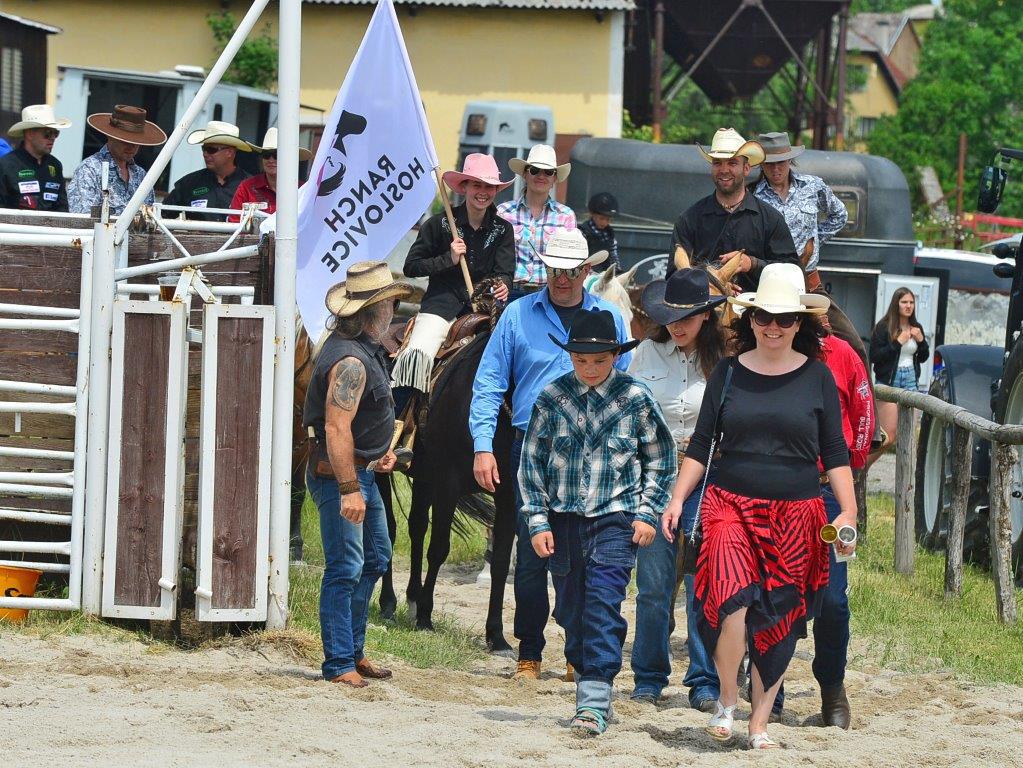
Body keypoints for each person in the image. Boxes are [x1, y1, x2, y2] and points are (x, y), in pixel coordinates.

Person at [661, 263, 857, 750]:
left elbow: (834, 452)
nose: (773, 326)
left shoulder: (817, 379)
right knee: (732, 601)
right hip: (728, 505)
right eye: (764, 316)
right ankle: (728, 699)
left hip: (798, 513)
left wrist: (848, 511)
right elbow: (702, 443)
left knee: (779, 617)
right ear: (750, 319)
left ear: (799, 323)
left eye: (785, 318)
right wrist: (678, 497)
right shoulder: (727, 373)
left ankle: (759, 723)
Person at [470, 228, 631, 681]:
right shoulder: (518, 316)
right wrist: (484, 445)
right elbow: (489, 383)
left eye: (571, 271)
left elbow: (624, 384)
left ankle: (577, 652)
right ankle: (531, 648)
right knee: (532, 550)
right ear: (545, 268)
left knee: (584, 552)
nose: (562, 279)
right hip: (532, 446)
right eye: (555, 269)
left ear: (587, 271)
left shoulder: (610, 317)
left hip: (593, 448)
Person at [519, 309, 675, 735]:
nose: (590, 368)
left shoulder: (636, 398)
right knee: (571, 607)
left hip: (616, 519)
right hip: (564, 519)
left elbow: (661, 460)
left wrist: (646, 514)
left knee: (604, 603)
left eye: (600, 360)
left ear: (615, 356)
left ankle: (593, 699)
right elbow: (531, 462)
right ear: (570, 357)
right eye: (582, 360)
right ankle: (586, 676)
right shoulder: (551, 398)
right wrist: (537, 519)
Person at [767, 263, 875, 729]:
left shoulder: (843, 356)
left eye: (789, 315)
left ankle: (832, 688)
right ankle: (769, 692)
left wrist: (851, 464)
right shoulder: (759, 357)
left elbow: (864, 411)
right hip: (775, 490)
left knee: (832, 599)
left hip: (828, 492)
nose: (778, 324)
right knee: (773, 594)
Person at [302, 260, 413, 687]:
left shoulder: (359, 350)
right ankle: (338, 663)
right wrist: (350, 487)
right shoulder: (351, 360)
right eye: (389, 303)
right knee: (347, 566)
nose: (394, 309)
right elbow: (335, 427)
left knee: (374, 558)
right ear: (375, 312)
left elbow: (352, 424)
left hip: (358, 472)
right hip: (340, 477)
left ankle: (351, 651)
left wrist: (376, 455)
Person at [627, 268, 726, 711]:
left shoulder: (727, 359)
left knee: (702, 582)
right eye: (671, 317)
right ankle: (648, 675)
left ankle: (704, 678)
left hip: (710, 474)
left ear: (706, 316)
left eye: (688, 316)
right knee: (653, 582)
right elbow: (628, 413)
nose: (678, 325)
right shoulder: (646, 353)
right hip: (656, 472)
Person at [393, 153, 514, 393]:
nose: (483, 191)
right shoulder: (438, 224)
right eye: (477, 184)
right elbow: (412, 266)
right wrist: (448, 259)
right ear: (464, 187)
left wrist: (504, 285)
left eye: (489, 186)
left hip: (481, 311)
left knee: (512, 362)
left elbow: (505, 273)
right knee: (417, 356)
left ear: (496, 190)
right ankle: (399, 423)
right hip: (440, 308)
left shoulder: (503, 230)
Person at [668, 128, 798, 291]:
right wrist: (712, 286)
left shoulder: (771, 219)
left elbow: (792, 271)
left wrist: (752, 263)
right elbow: (673, 275)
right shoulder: (689, 219)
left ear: (746, 168)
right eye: (717, 163)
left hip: (758, 314)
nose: (724, 170)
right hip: (705, 313)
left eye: (732, 163)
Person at [496, 144, 576, 300]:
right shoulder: (503, 212)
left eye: (548, 172)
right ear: (525, 174)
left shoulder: (566, 216)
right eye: (534, 170)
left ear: (554, 178)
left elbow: (569, 263)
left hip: (548, 294)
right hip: (508, 292)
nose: (541, 176)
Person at [68, 105, 168, 215]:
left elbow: (150, 217)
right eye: (125, 140)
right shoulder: (90, 169)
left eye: (137, 142)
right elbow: (82, 216)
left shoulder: (141, 175)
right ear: (110, 136)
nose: (132, 146)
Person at [869, 288, 929, 465]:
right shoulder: (883, 326)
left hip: (910, 379)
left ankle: (907, 481)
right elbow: (875, 356)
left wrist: (921, 341)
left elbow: (924, 357)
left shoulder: (917, 328)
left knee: (909, 435)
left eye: (911, 302)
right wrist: (897, 343)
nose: (908, 306)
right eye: (904, 302)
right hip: (889, 382)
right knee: (889, 434)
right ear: (896, 303)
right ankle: (861, 466)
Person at [163, 120, 252, 218]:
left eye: (211, 150)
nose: (205, 154)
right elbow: (161, 215)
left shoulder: (251, 186)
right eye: (203, 149)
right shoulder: (189, 183)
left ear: (230, 152)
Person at [228, 126, 311, 221]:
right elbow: (234, 222)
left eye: (277, 155)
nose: (271, 160)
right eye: (266, 155)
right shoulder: (246, 187)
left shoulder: (303, 190)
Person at [0, 104, 71, 212]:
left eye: (55, 133)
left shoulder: (55, 165)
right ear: (29, 134)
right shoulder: (6, 165)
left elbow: (62, 208)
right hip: (15, 228)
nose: (52, 138)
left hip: (52, 228)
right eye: (47, 133)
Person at [579, 192, 620, 273]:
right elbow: (579, 257)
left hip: (605, 274)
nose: (604, 223)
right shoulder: (583, 232)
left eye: (608, 219)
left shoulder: (609, 233)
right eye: (601, 218)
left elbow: (613, 254)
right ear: (592, 214)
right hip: (586, 274)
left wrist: (617, 270)